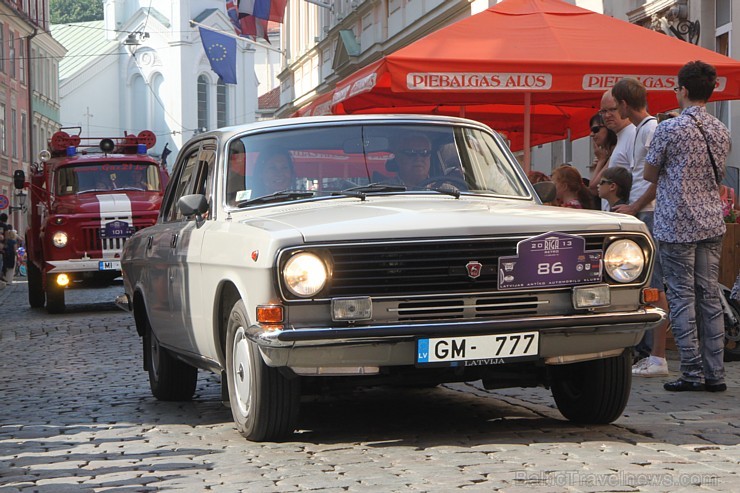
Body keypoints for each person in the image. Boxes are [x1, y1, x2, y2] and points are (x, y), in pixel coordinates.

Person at [645, 60, 731, 392]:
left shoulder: (669, 129)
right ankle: (716, 373)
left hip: (677, 221)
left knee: (681, 297)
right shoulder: (720, 129)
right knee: (709, 296)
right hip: (711, 221)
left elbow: (650, 174)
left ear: (682, 90)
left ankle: (692, 372)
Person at [612, 77, 671, 377]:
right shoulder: (643, 129)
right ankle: (652, 353)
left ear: (624, 104)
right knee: (647, 283)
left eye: (614, 105)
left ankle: (658, 356)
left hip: (648, 213)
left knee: (654, 284)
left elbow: (655, 177)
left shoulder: (650, 129)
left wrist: (634, 206)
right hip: (641, 212)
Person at [590, 90, 636, 210]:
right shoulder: (622, 137)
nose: (607, 115)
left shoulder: (633, 134)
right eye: (603, 111)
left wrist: (633, 207)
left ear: (623, 107)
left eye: (612, 109)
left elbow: (639, 176)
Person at [587, 112, 617, 184]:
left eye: (595, 129)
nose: (591, 134)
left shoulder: (617, 152)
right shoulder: (606, 155)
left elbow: (593, 187)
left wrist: (601, 161)